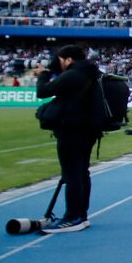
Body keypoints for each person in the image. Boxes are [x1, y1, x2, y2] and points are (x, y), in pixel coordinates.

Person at [33, 45, 102, 234]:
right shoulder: (91, 73)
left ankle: (72, 217)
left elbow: (43, 91)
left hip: (72, 128)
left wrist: (43, 75)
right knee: (81, 172)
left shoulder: (75, 74)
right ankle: (81, 215)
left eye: (60, 60)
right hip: (88, 129)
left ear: (68, 59)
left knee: (72, 173)